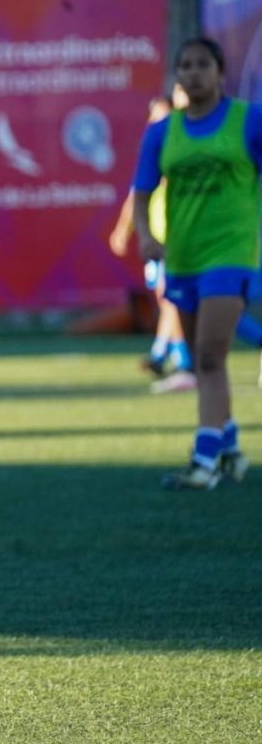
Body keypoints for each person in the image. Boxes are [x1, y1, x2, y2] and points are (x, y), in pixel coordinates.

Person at [133, 36, 260, 490]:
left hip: (232, 252)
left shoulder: (250, 120)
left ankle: (204, 462)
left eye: (202, 64)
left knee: (208, 354)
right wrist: (146, 236)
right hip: (182, 257)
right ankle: (230, 446)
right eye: (184, 65)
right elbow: (142, 192)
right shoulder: (162, 132)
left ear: (221, 71)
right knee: (206, 363)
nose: (193, 72)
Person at [108, 90, 196, 394]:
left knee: (173, 297)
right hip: (156, 238)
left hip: (176, 238)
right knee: (166, 299)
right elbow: (137, 194)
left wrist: (125, 229)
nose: (152, 120)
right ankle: (169, 355)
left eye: (158, 114)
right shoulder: (156, 147)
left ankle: (177, 359)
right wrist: (127, 230)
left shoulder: (175, 148)